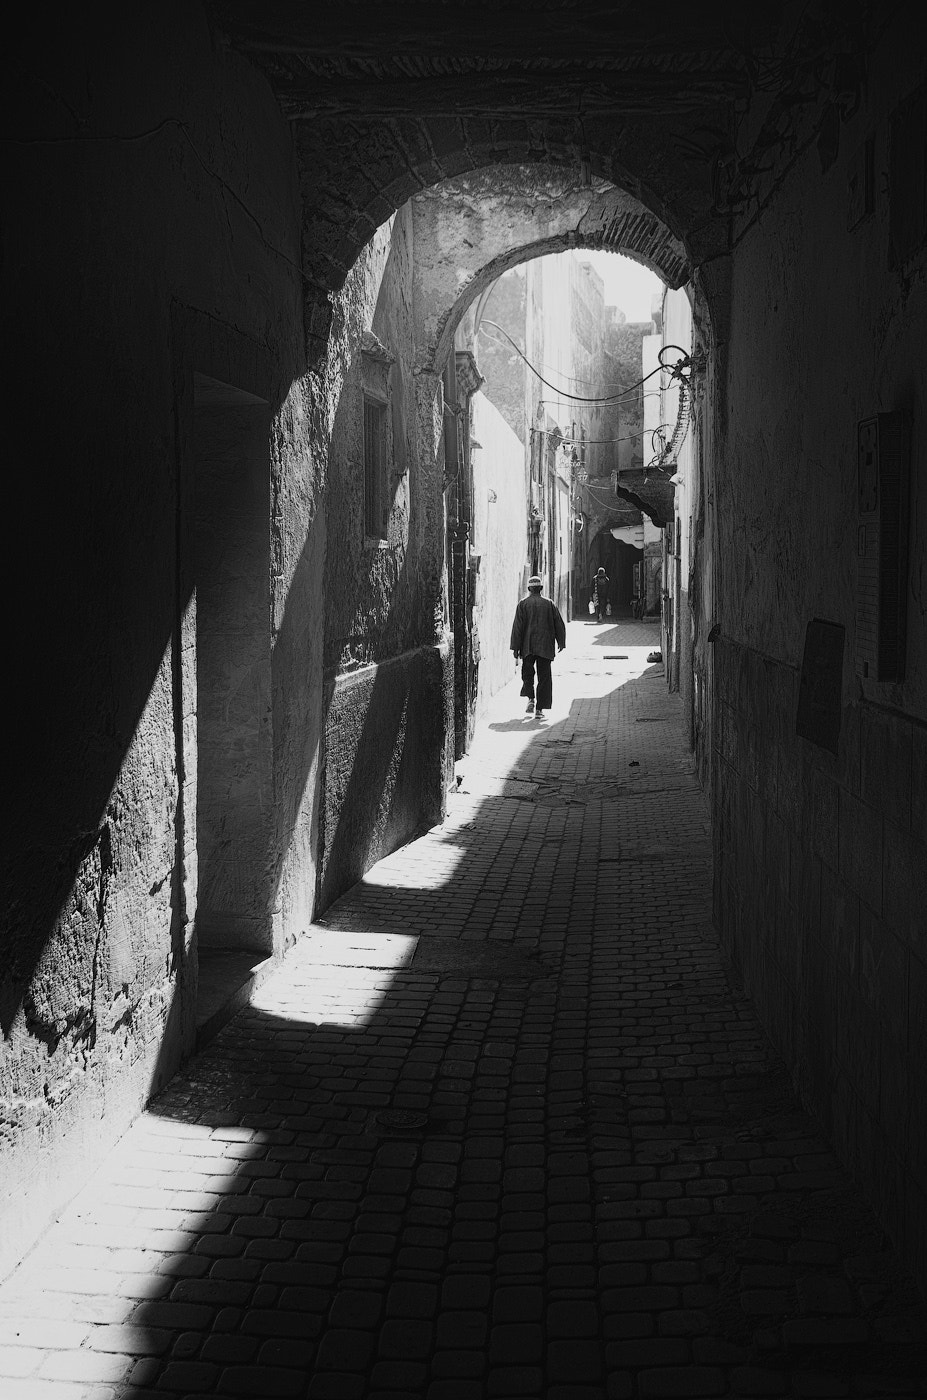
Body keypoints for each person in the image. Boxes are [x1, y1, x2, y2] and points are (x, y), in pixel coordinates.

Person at [510, 574, 566, 720]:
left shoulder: (523, 604)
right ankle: (540, 709)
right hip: (545, 646)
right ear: (541, 588)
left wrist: (515, 647)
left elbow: (517, 627)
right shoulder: (549, 604)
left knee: (527, 674)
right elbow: (559, 624)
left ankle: (531, 699)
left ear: (529, 588)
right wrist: (561, 642)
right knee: (544, 677)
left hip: (527, 646)